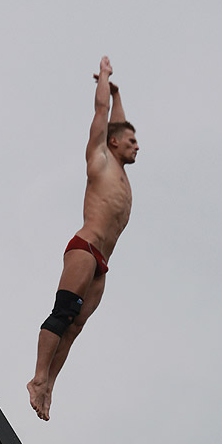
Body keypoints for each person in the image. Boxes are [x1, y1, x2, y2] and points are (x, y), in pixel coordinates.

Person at [27, 56, 139, 420]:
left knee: (75, 328)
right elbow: (103, 112)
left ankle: (50, 385)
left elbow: (118, 121)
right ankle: (37, 378)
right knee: (63, 314)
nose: (137, 146)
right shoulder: (100, 159)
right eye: (132, 141)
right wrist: (105, 79)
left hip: (103, 264)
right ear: (113, 142)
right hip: (86, 247)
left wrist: (119, 93)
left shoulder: (122, 174)